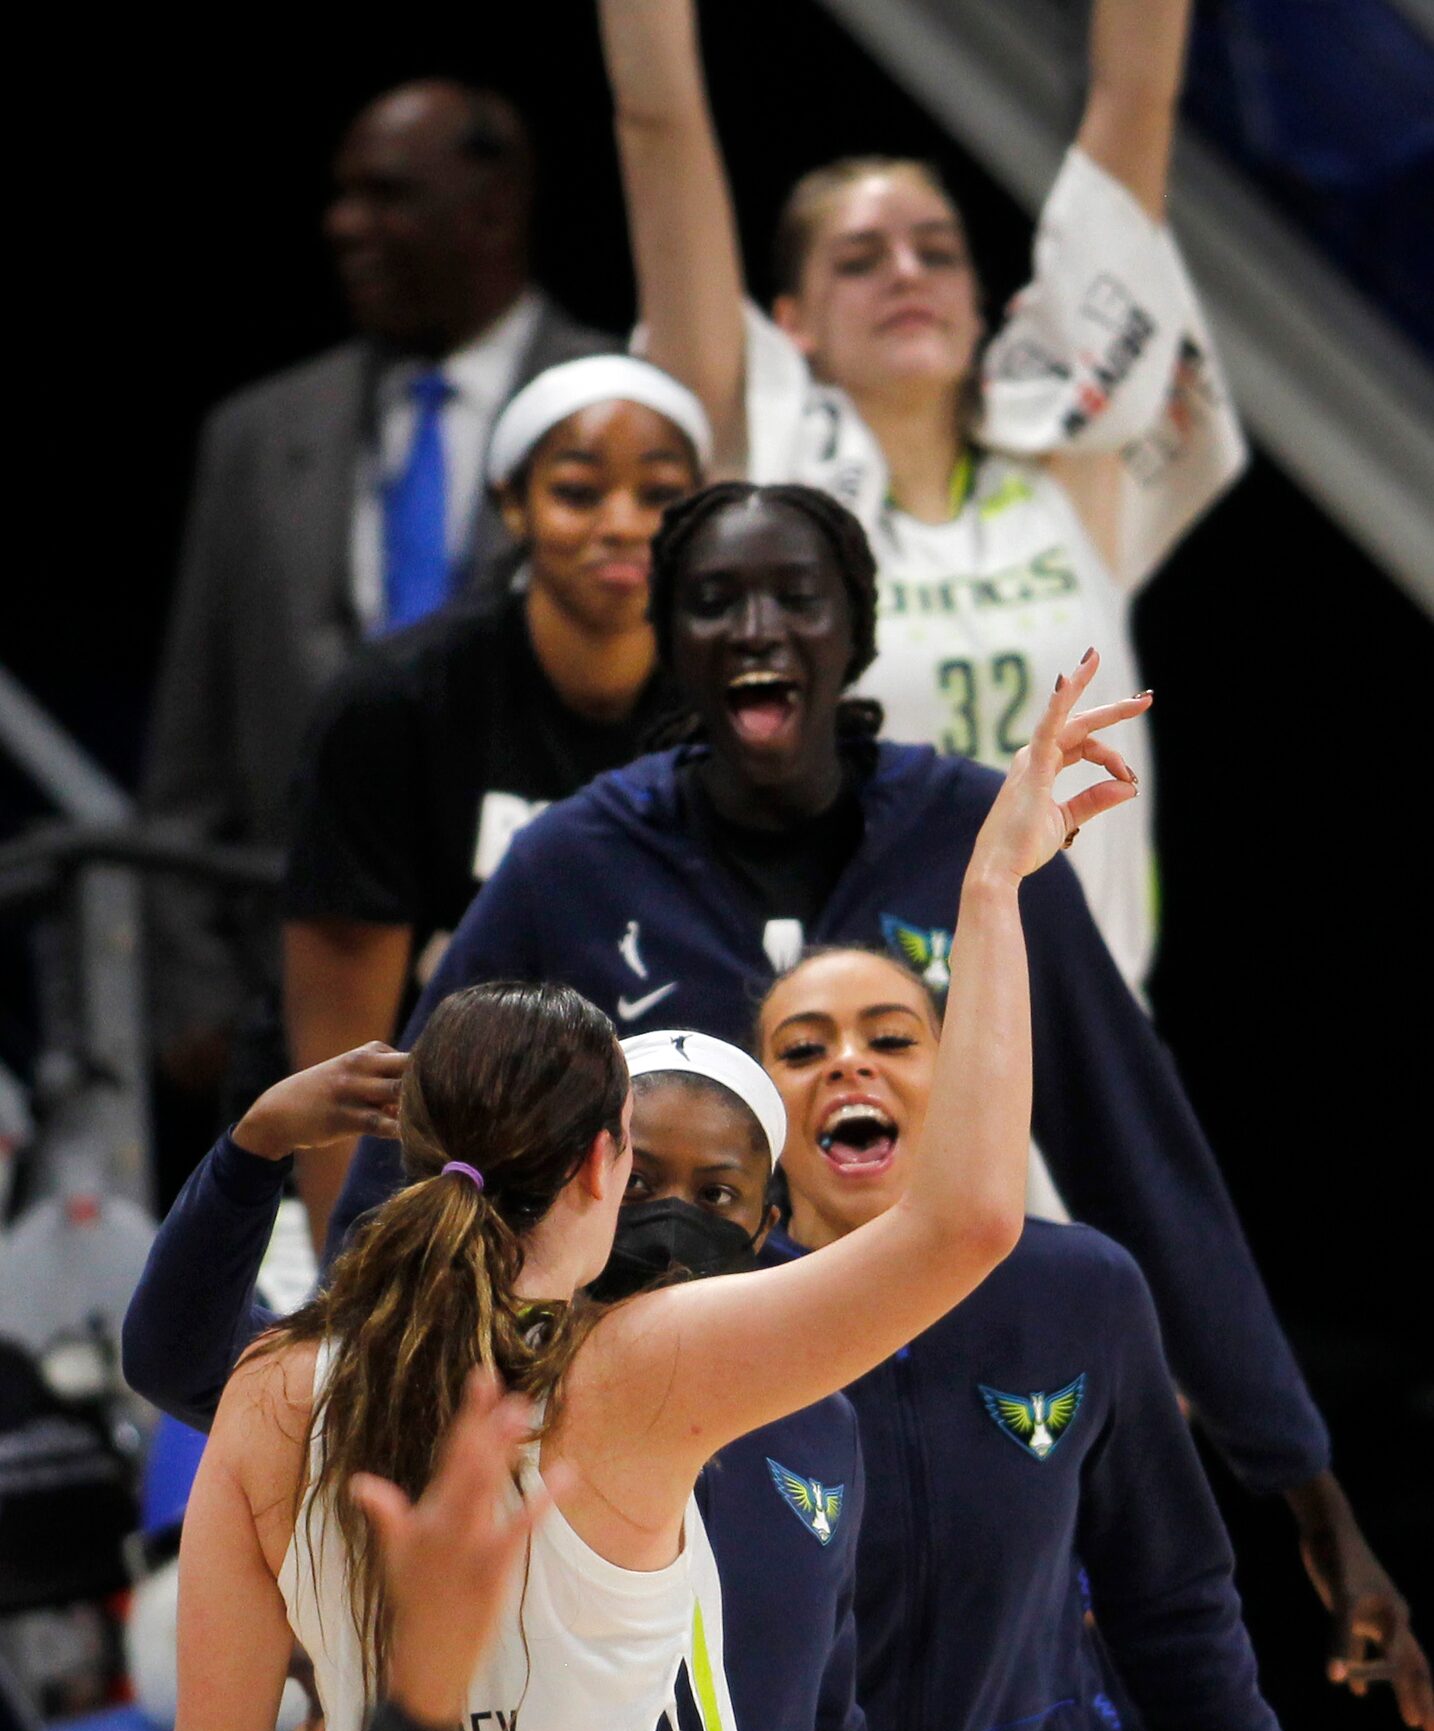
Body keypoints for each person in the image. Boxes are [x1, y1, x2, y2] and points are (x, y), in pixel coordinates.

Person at [338, 481, 1431, 1731]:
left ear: (854, 634)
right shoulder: (569, 865)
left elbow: (1140, 1152)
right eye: (714, 601)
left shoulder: (976, 832)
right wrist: (327, 1468)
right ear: (672, 643)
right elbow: (423, 1177)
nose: (756, 628)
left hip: (969, 1443)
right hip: (674, 1466)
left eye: (796, 599)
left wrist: (1309, 1494)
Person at [165, 653, 1125, 1731]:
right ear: (602, 1171)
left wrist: (250, 1142)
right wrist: (991, 886)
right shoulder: (637, 1375)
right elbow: (971, 1222)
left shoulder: (266, 1396)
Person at [599, 0, 1246, 994]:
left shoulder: (1073, 468)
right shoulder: (769, 481)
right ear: (791, 323)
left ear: (982, 303)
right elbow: (658, 122)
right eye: (859, 260)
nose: (905, 272)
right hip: (869, 1061)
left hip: (1082, 1040)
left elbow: (1136, 94)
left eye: (936, 251)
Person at [129, 1030, 886, 1731]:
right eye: (641, 1182)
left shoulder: (820, 1419)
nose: (673, 1219)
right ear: (587, 1174)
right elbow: (183, 1357)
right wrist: (254, 1147)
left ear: (765, 1223)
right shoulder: (438, 1379)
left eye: (715, 1195)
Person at [757, 945, 1344, 1731]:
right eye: (801, 1050)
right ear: (761, 1117)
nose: (847, 1062)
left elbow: (1178, 1618)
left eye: (892, 1037)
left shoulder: (1082, 1294)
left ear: (955, 1077)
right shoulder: (713, 1326)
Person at [142, 81, 613, 1101]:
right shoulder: (259, 434)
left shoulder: (624, 408)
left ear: (491, 209)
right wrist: (194, 1004)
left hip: (563, 1000)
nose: (345, 223)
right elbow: (190, 753)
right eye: (344, 194)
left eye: (387, 195)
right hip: (295, 997)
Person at [280, 355, 707, 1244]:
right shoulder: (397, 703)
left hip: (637, 1139)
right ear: (513, 504)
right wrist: (348, 1268)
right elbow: (344, 1021)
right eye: (579, 493)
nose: (622, 525)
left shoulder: (723, 705)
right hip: (432, 1139)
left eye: (660, 496)